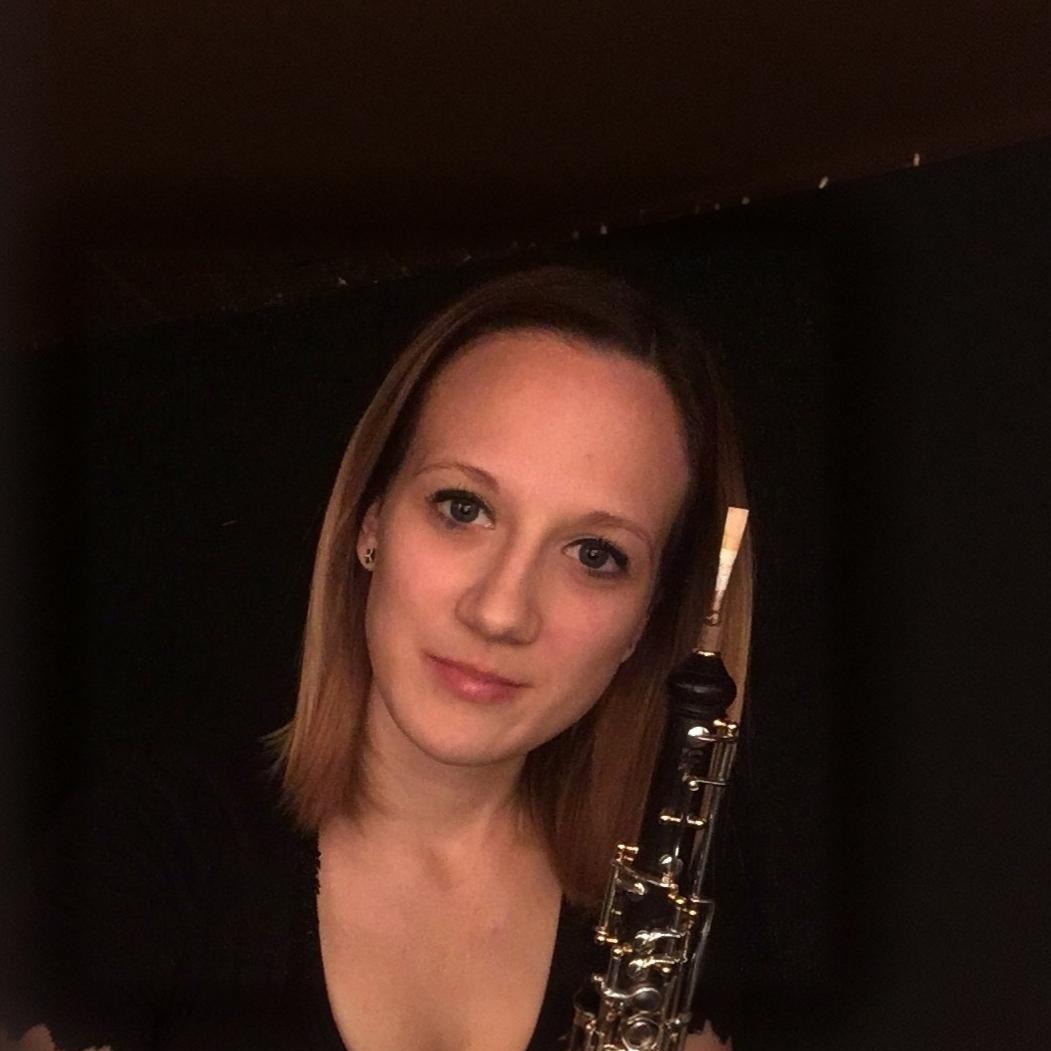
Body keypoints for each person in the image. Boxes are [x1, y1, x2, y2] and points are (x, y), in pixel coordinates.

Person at [3, 265, 752, 1051]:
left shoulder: (686, 908)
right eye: (462, 507)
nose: (499, 611)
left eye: (594, 553)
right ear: (370, 523)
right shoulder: (141, 860)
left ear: (643, 621)